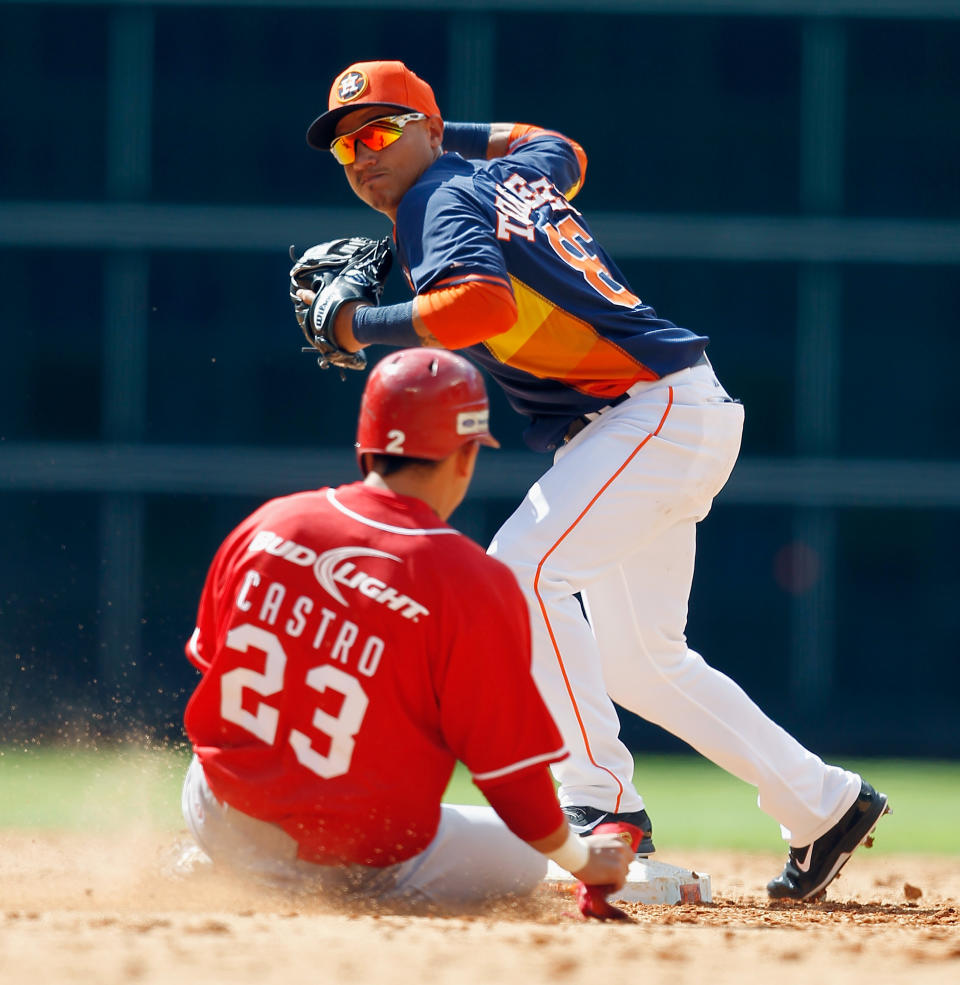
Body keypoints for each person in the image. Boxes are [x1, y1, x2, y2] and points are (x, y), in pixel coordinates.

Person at [293, 60, 890, 902]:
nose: (362, 153)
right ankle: (823, 803)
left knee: (519, 571)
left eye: (383, 130)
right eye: (347, 144)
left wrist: (359, 322)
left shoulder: (437, 200)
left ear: (428, 128)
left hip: (646, 413)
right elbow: (557, 145)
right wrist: (438, 135)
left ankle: (600, 807)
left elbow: (479, 308)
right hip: (662, 413)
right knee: (644, 661)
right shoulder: (503, 173)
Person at [179, 347, 632, 909]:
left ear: (365, 445)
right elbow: (513, 778)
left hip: (218, 818)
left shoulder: (270, 524)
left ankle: (223, 865)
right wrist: (588, 861)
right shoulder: (469, 580)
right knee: (520, 857)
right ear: (466, 456)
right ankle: (321, 888)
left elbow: (211, 666)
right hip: (351, 860)